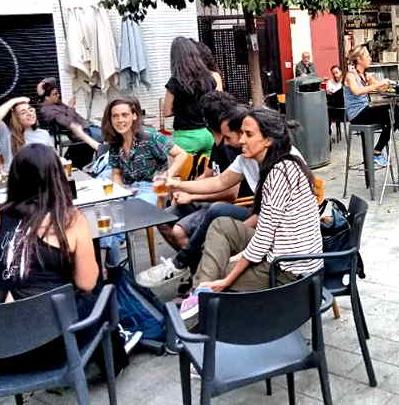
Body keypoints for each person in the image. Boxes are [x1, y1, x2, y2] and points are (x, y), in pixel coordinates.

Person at [0, 144, 134, 373]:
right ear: (57, 178)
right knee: (96, 294)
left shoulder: (1, 216)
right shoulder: (70, 220)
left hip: (5, 351)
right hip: (56, 345)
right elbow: (87, 282)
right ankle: (115, 360)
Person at [177, 109, 323, 319]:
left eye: (248, 134)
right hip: (280, 251)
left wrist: (227, 278)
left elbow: (262, 240)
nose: (241, 140)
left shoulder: (280, 173)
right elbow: (263, 225)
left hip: (288, 272)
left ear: (267, 140)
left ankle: (200, 309)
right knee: (221, 225)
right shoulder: (276, 164)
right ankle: (201, 297)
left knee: (221, 271)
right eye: (242, 133)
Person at [138, 94, 254, 287]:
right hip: (220, 203)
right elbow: (213, 179)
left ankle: (193, 274)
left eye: (248, 135)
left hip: (235, 206)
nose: (238, 142)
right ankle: (192, 269)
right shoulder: (227, 148)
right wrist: (178, 186)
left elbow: (230, 192)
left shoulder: (241, 151)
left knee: (185, 227)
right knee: (163, 219)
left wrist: (190, 194)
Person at [343, 45, 399, 167]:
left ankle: (377, 152)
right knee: (393, 110)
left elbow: (380, 88)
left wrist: (384, 83)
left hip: (365, 110)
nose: (370, 58)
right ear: (359, 59)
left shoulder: (365, 75)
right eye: (367, 56)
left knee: (391, 118)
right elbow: (357, 91)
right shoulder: (350, 75)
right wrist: (377, 85)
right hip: (357, 115)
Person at [102, 96, 189, 206]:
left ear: (134, 116)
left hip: (152, 189)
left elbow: (182, 154)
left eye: (125, 115)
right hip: (129, 189)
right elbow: (116, 173)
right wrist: (119, 193)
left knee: (134, 210)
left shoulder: (149, 136)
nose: (120, 120)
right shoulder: (115, 142)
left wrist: (167, 176)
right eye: (115, 116)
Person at [162, 36, 218, 157]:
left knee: (179, 174)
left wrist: (181, 108)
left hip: (186, 137)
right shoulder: (209, 78)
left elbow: (166, 112)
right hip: (209, 134)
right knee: (208, 172)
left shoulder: (175, 81)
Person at [36, 78, 101, 151]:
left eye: (58, 93)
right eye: (55, 94)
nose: (58, 95)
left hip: (87, 128)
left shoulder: (55, 104)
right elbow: (69, 122)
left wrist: (43, 83)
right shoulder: (48, 110)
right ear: (47, 98)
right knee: (109, 137)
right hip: (82, 133)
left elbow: (53, 79)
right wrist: (71, 107)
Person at [0, 96, 53, 169]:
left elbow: (53, 159)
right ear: (16, 118)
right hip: (15, 178)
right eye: (23, 112)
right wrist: (14, 101)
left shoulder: (43, 133)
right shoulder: (6, 133)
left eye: (30, 110)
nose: (29, 113)